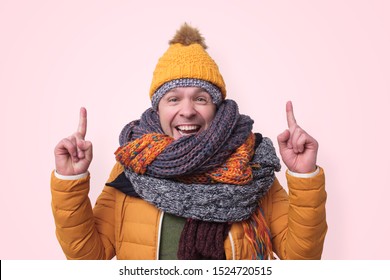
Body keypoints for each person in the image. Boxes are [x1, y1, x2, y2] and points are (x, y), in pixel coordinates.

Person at [51, 23, 327, 260]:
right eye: (173, 99)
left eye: (200, 98)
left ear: (217, 110)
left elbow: (300, 258)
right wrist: (69, 182)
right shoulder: (132, 168)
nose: (187, 110)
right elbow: (88, 257)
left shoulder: (252, 166)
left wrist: (304, 176)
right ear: (157, 110)